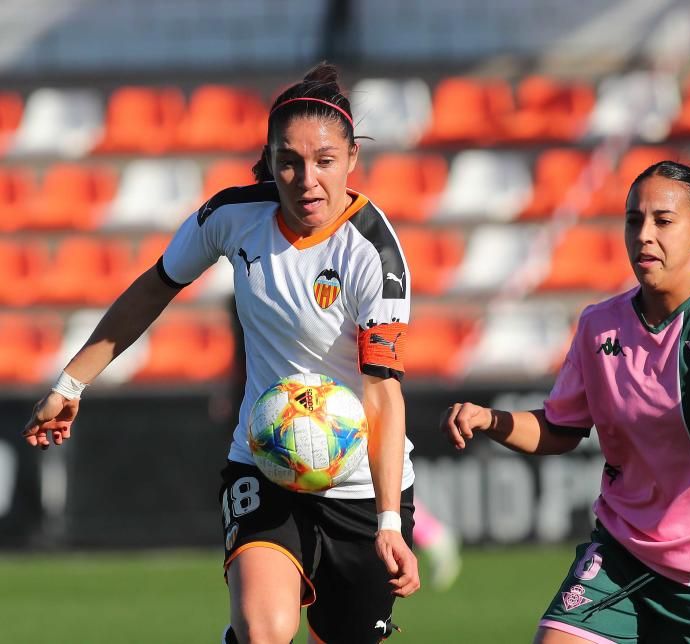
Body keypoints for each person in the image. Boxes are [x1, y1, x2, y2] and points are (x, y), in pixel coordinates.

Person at [22, 63, 420, 644]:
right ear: (269, 157)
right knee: (263, 634)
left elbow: (383, 392)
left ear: (352, 159)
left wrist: (389, 521)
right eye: (289, 160)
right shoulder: (233, 216)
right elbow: (155, 286)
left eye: (325, 161)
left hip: (360, 486)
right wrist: (70, 383)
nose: (306, 179)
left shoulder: (374, 257)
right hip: (264, 461)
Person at [442, 160, 690, 644]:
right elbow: (562, 428)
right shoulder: (599, 325)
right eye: (633, 220)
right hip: (627, 552)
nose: (644, 235)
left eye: (663, 221)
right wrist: (491, 420)